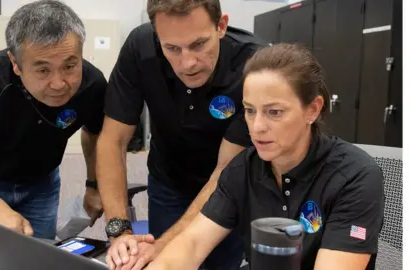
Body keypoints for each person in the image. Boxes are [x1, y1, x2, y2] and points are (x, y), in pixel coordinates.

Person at [146, 43, 385, 270]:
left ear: (312, 109)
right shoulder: (243, 169)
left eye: (275, 112)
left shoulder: (355, 176)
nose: (257, 127)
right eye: (250, 111)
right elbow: (192, 243)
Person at [96, 0, 267, 269]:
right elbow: (112, 140)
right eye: (172, 48)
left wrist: (164, 246)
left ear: (221, 26)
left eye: (199, 44)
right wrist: (120, 232)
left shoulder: (252, 66)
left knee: (216, 262)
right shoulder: (139, 48)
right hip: (169, 180)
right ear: (156, 36)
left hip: (229, 184)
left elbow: (226, 169)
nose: (188, 63)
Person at [0, 0, 106, 240]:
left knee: (36, 257)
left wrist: (93, 185)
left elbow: (94, 133)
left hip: (41, 184)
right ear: (15, 64)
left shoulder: (93, 85)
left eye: (70, 66)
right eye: (42, 70)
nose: (59, 84)